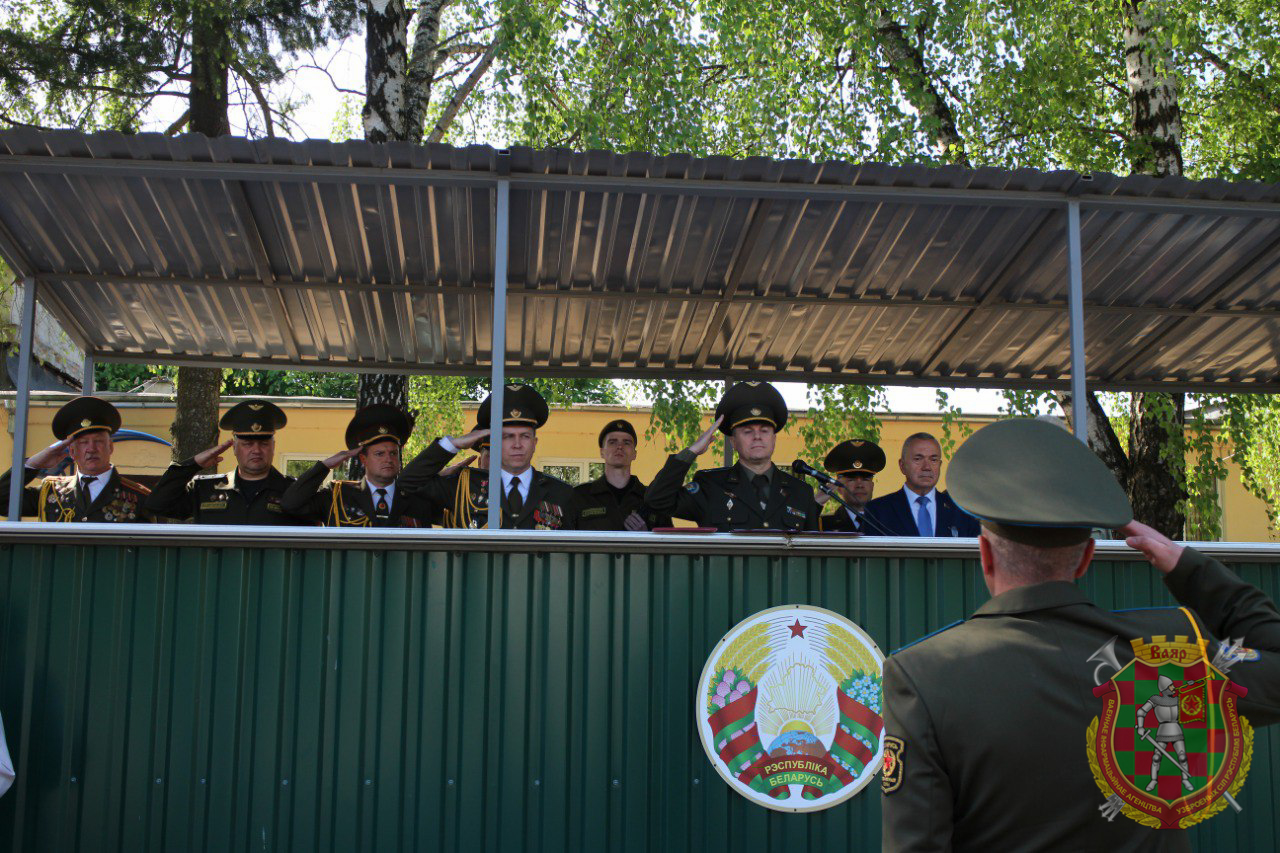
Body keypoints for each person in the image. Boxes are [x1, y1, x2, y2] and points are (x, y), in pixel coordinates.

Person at [880, 418, 1280, 851]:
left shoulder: (925, 675)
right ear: (1087, 557)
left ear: (985, 555)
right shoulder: (1168, 656)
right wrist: (1188, 567)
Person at [398, 384, 580, 530]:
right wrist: (453, 445)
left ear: (534, 443)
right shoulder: (465, 485)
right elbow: (406, 483)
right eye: (507, 436)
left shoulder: (561, 493)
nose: (517, 444)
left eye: (525, 436)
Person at [644, 381, 818, 531]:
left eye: (764, 430)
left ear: (774, 439)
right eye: (747, 431)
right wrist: (692, 451)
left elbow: (813, 550)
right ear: (733, 442)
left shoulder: (801, 492)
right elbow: (658, 500)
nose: (757, 436)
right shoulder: (710, 485)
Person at [145, 399, 305, 525]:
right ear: (234, 447)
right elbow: (156, 504)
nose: (256, 450)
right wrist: (193, 464)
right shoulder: (205, 489)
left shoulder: (293, 491)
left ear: (273, 447)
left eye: (263, 443)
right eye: (247, 444)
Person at [281, 404, 438, 527]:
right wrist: (325, 466)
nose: (388, 459)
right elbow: (291, 504)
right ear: (363, 459)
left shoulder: (416, 501)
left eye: (393, 453)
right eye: (379, 454)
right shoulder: (337, 496)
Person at [0, 396, 152, 522]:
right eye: (83, 442)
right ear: (72, 452)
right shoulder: (51, 492)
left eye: (98, 441)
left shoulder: (139, 497)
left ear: (110, 447)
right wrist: (33, 465)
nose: (91, 448)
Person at [865, 432, 979, 537]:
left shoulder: (961, 512)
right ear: (902, 466)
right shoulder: (877, 511)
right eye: (918, 459)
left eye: (933, 460)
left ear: (940, 465)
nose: (927, 467)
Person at [574, 419, 672, 531]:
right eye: (612, 442)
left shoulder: (653, 501)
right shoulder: (580, 496)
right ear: (602, 452)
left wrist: (645, 536)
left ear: (634, 454)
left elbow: (670, 541)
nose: (620, 446)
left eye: (626, 442)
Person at [815, 438, 885, 533]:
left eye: (865, 478)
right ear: (839, 488)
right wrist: (815, 504)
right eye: (851, 479)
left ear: (872, 486)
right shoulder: (823, 525)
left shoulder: (886, 523)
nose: (859, 485)